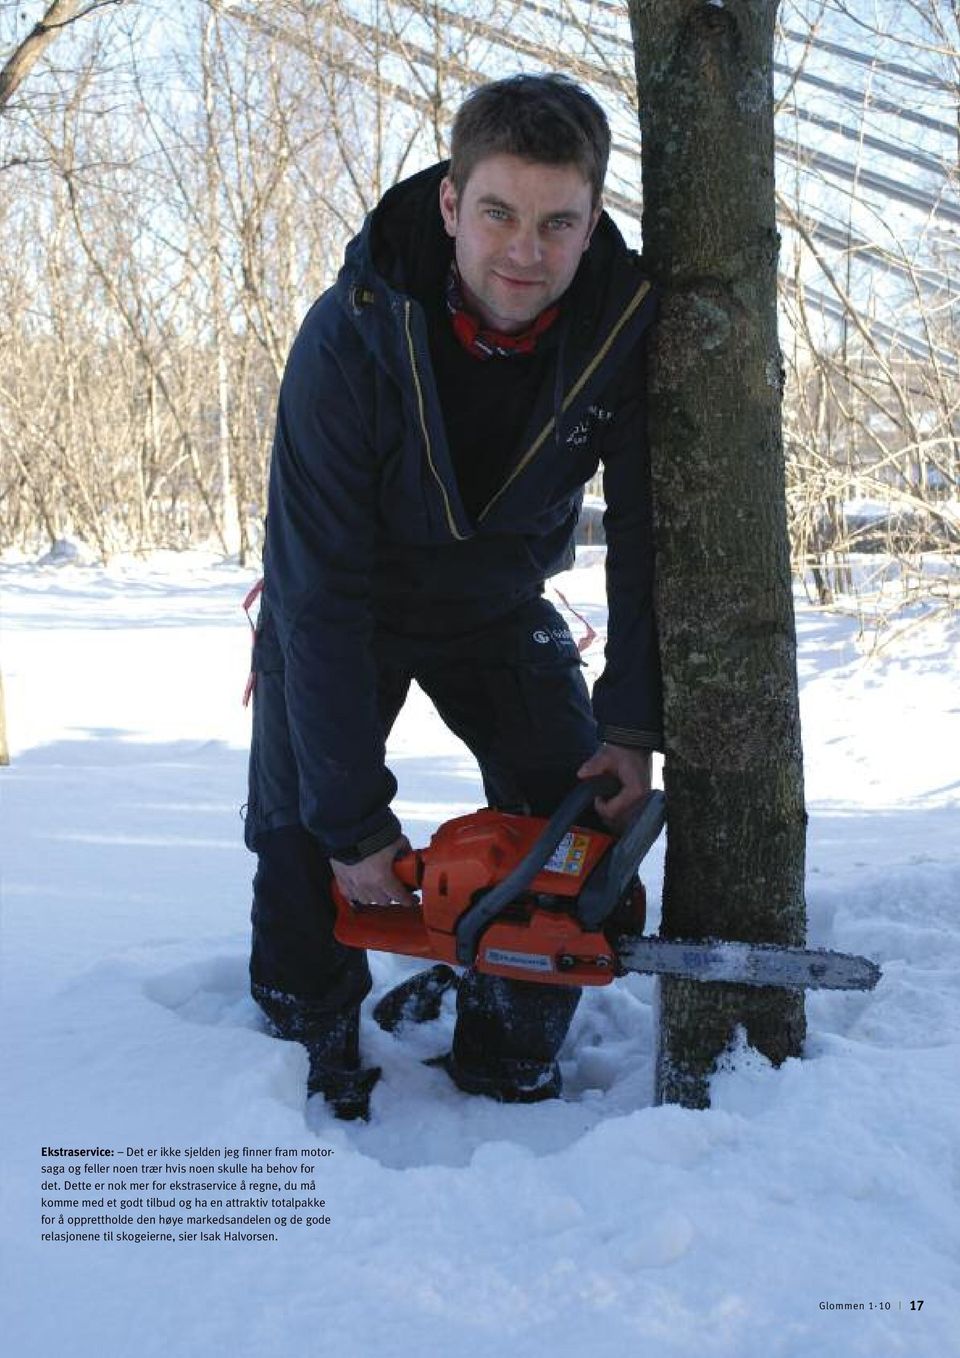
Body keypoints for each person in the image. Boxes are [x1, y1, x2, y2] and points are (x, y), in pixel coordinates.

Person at [244, 73, 662, 1120]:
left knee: (577, 835)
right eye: (499, 214)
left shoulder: (622, 327)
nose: (526, 250)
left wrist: (631, 722)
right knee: (304, 833)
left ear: (592, 216)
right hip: (350, 603)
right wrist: (352, 823)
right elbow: (319, 593)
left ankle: (508, 1050)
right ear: (449, 203)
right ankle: (306, 1032)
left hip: (497, 597)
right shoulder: (349, 336)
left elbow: (654, 538)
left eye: (558, 221)